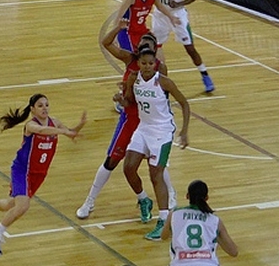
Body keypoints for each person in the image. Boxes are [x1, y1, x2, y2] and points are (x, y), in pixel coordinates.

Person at [76, 18, 177, 220]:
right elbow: (105, 43)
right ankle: (90, 201)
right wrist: (119, 28)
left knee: (156, 164)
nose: (144, 51)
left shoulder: (159, 69)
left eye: (149, 48)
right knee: (112, 160)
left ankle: (171, 196)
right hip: (130, 120)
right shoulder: (130, 60)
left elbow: (163, 98)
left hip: (150, 122)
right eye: (142, 47)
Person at [0, 94, 87, 256]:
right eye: (40, 105)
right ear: (32, 110)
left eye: (46, 104)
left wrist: (78, 126)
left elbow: (71, 133)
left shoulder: (55, 122)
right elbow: (43, 130)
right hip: (22, 170)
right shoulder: (31, 125)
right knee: (23, 206)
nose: (44, 108)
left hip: (39, 173)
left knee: (11, 204)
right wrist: (63, 131)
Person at [122, 46, 190, 241]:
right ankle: (144, 199)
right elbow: (129, 102)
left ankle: (163, 220)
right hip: (144, 128)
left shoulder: (163, 82)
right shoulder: (133, 79)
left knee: (156, 174)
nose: (147, 66)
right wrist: (121, 99)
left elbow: (185, 103)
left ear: (155, 64)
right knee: (128, 168)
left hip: (162, 131)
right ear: (138, 63)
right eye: (144, 63)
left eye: (151, 63)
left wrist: (184, 131)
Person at [152, 0, 215, 93]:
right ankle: (156, 79)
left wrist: (178, 4)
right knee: (154, 47)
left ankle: (205, 75)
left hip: (178, 15)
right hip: (160, 15)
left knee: (190, 48)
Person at [161, 180, 238, 264]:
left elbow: (164, 236)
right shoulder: (214, 220)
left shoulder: (174, 214)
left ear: (187, 196)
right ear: (207, 198)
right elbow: (233, 252)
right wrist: (216, 236)